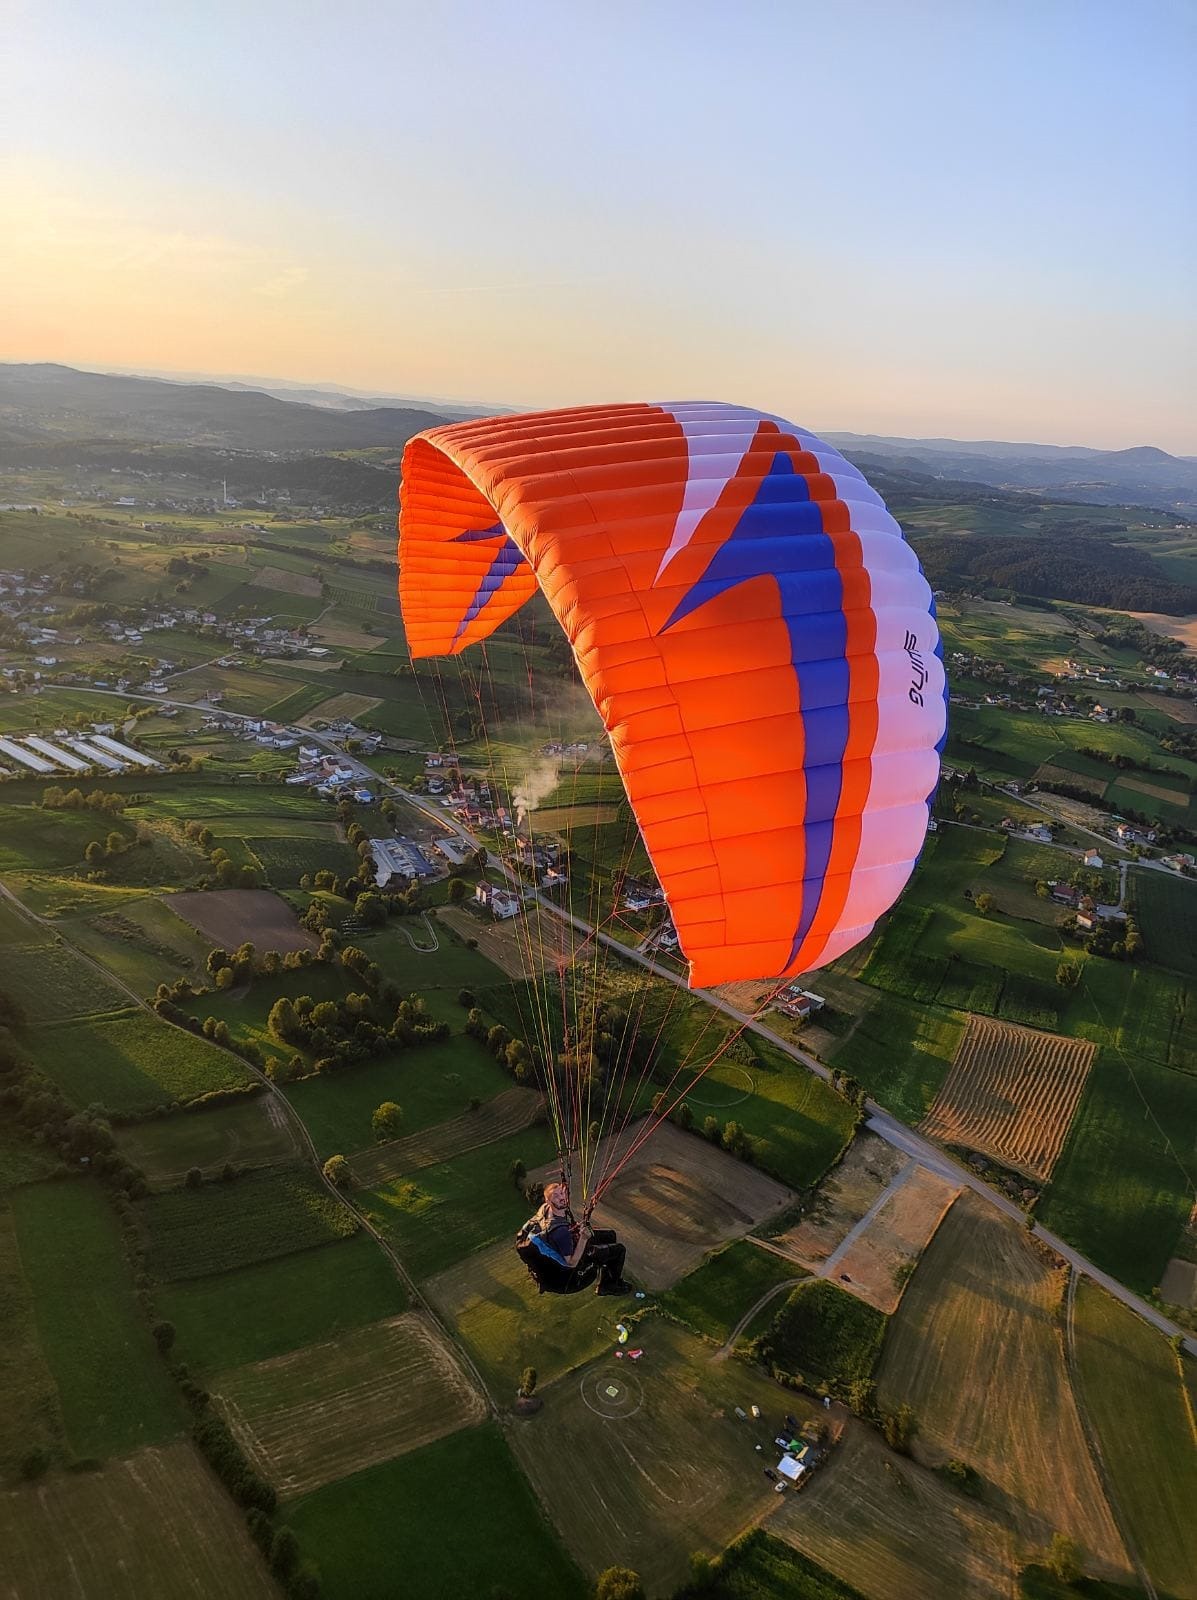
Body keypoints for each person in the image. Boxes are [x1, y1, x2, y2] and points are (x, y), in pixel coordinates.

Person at [515, 1177, 631, 1296]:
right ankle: (607, 1286)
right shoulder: (561, 1232)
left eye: (561, 1193)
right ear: (548, 1201)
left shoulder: (545, 1208)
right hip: (571, 1278)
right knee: (619, 1250)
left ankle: (610, 1279)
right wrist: (583, 1239)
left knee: (610, 1235)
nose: (561, 1198)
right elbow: (571, 1262)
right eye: (555, 1196)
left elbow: (560, 1197)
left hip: (558, 1247)